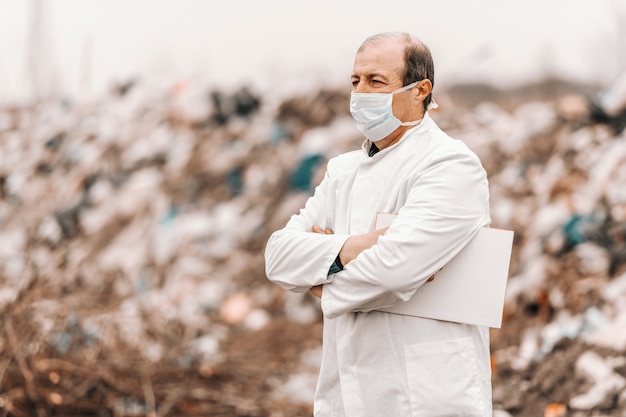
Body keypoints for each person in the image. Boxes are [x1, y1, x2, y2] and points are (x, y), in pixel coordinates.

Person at [265, 32, 492, 417]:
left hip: (428, 396)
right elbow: (277, 256)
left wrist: (319, 278)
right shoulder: (343, 171)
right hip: (348, 395)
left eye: (376, 82)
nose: (361, 94)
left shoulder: (450, 165)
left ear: (420, 90)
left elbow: (393, 271)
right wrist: (352, 248)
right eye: (355, 81)